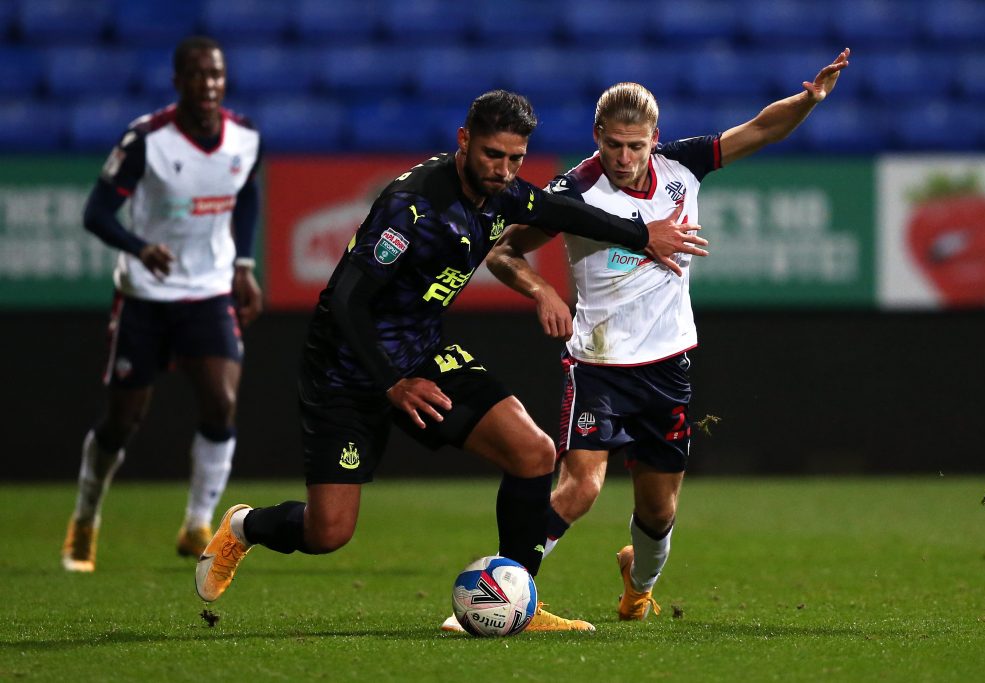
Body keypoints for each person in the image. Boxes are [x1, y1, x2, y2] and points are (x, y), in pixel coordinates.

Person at [195, 90, 706, 632]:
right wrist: (392, 382)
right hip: (347, 369)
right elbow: (345, 301)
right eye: (492, 155)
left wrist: (642, 234)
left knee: (534, 453)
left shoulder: (503, 192)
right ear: (464, 141)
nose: (503, 170)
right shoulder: (411, 206)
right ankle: (245, 526)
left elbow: (561, 211)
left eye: (515, 159)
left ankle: (519, 600)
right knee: (328, 532)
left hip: (422, 351)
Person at [484, 49, 851, 621]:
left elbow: (761, 129)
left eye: (636, 146)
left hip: (666, 367)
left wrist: (810, 100)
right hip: (598, 364)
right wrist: (543, 292)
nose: (624, 158)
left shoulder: (682, 168)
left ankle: (638, 588)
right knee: (581, 487)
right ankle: (500, 595)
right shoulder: (573, 193)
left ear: (655, 139)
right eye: (613, 145)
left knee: (658, 512)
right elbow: (502, 252)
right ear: (597, 136)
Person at [61, 36, 263, 572]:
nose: (208, 84)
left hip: (209, 291)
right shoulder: (147, 140)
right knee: (122, 420)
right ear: (178, 82)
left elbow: (247, 193)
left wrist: (244, 264)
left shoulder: (244, 137)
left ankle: (197, 523)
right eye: (197, 74)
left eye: (216, 74)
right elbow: (96, 213)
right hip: (146, 297)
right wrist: (139, 248)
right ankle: (85, 517)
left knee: (221, 403)